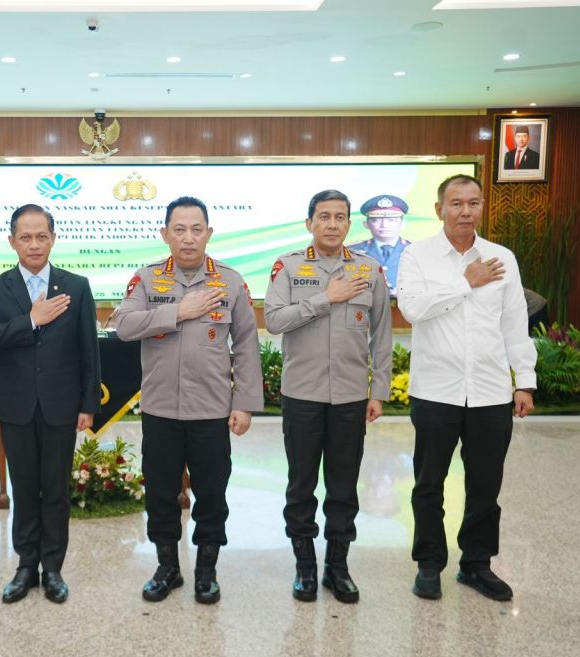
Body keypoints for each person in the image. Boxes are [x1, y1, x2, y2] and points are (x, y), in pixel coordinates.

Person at [115, 196, 263, 605]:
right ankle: (167, 568)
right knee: (160, 493)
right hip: (160, 410)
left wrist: (244, 402)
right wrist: (178, 311)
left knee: (211, 494)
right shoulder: (147, 279)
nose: (188, 238)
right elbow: (124, 326)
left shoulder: (230, 281)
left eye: (197, 229)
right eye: (179, 230)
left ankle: (206, 571)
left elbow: (246, 344)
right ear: (165, 234)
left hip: (211, 411)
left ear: (209, 233)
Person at [397, 174, 536, 602]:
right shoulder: (417, 255)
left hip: (491, 392)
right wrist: (465, 280)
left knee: (485, 485)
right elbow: (412, 308)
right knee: (428, 484)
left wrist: (524, 381)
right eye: (456, 203)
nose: (465, 211)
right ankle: (429, 564)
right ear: (439, 209)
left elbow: (515, 323)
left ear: (481, 207)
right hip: (435, 391)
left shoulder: (501, 258)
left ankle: (476, 564)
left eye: (473, 203)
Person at [264, 189, 392, 604]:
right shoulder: (288, 266)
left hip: (351, 397)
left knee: (343, 487)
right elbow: (275, 320)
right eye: (324, 216)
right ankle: (305, 566)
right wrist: (326, 298)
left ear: (349, 224)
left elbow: (381, 335)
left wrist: (379, 390)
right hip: (302, 395)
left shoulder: (369, 270)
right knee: (301, 485)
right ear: (310, 223)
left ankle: (338, 567)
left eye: (340, 217)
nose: (332, 224)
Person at [0, 204, 100, 605]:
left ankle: (53, 569)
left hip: (62, 405)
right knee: (24, 488)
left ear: (53, 239)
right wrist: (31, 319)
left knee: (56, 490)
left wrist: (88, 404)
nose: (33, 244)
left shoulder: (76, 285)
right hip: (15, 406)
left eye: (41, 236)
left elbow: (88, 350)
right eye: (25, 237)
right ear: (12, 241)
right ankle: (26, 566)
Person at [347, 194, 411, 295]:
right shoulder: (350, 252)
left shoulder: (416, 250)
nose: (384, 225)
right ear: (366, 224)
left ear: (402, 223)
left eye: (391, 220)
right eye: (376, 220)